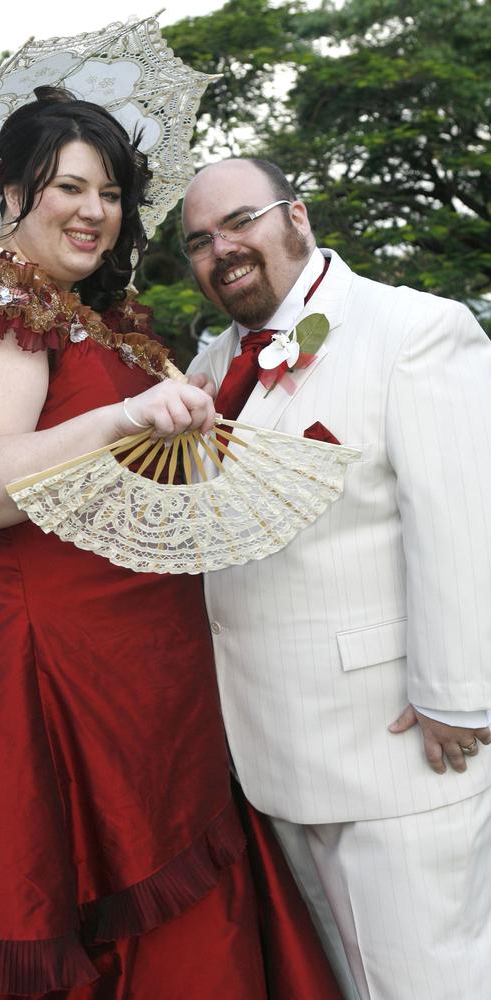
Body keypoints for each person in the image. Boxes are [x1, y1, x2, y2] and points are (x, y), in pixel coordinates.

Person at [0, 89, 282, 1000]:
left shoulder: (86, 310)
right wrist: (125, 413)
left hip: (129, 663)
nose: (95, 212)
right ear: (5, 188)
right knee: (30, 894)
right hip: (21, 667)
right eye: (68, 187)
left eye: (112, 192)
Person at [184, 156, 491, 1000]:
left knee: (429, 983)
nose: (223, 249)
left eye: (241, 221)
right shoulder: (209, 368)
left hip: (398, 749)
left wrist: (457, 698)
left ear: (298, 216)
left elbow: (462, 520)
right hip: (271, 754)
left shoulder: (415, 330)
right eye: (201, 241)